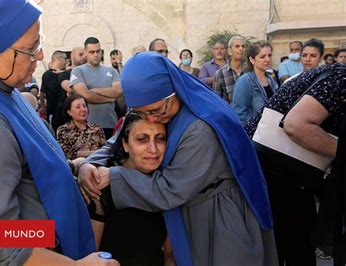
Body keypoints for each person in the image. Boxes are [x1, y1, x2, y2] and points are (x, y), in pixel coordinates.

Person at [0, 1, 117, 265]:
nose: (39, 56)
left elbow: (29, 169)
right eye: (31, 49)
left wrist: (75, 168)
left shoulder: (4, 92)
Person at [79, 52, 277, 266]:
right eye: (144, 113)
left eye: (156, 111)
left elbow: (171, 189)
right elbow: (116, 140)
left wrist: (114, 176)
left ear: (173, 91)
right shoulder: (150, 105)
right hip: (187, 208)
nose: (152, 119)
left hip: (216, 214)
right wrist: (89, 164)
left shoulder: (201, 126)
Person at [243, 63, 346, 266]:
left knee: (292, 245)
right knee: (291, 246)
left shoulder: (334, 74)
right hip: (275, 174)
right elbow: (295, 125)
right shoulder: (340, 80)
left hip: (284, 175)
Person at [88, 111, 175, 266]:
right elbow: (90, 254)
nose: (153, 149)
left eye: (160, 139)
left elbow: (169, 255)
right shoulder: (101, 186)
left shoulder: (168, 186)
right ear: (125, 144)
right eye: (142, 139)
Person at [70, 37, 122, 140]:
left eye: (98, 51)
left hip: (110, 124)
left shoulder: (111, 71)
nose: (96, 55)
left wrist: (94, 90)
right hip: (88, 126)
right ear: (85, 53)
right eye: (92, 52)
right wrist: (108, 99)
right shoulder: (78, 71)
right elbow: (86, 95)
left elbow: (118, 91)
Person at [232, 41, 277, 123]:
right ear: (252, 59)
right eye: (262, 57)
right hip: (253, 132)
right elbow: (240, 113)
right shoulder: (245, 81)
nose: (267, 59)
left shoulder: (271, 80)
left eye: (269, 55)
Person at [57, 94, 106, 160]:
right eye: (78, 107)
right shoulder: (63, 130)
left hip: (97, 165)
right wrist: (93, 153)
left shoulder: (96, 128)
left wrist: (81, 153)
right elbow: (67, 154)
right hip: (76, 167)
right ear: (69, 112)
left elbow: (105, 151)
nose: (83, 109)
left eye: (84, 106)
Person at [213, 36, 246, 104]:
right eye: (237, 46)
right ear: (229, 51)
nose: (241, 49)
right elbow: (216, 101)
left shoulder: (250, 70)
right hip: (231, 113)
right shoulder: (220, 73)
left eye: (243, 46)